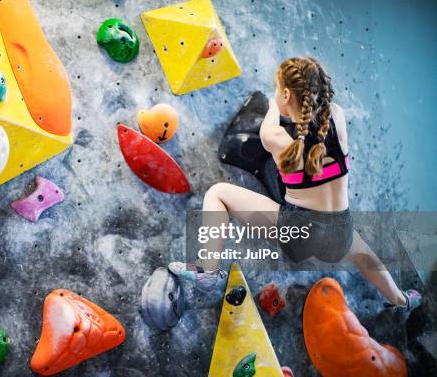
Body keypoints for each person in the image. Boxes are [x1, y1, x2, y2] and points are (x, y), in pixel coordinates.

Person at [169, 57, 421, 312]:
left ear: (287, 94)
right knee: (364, 255)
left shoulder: (273, 136)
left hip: (298, 234)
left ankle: (209, 273)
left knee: (218, 194)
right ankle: (402, 300)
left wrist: (273, 104)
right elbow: (317, 116)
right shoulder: (338, 116)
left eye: (279, 89)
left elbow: (272, 115)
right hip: (339, 235)